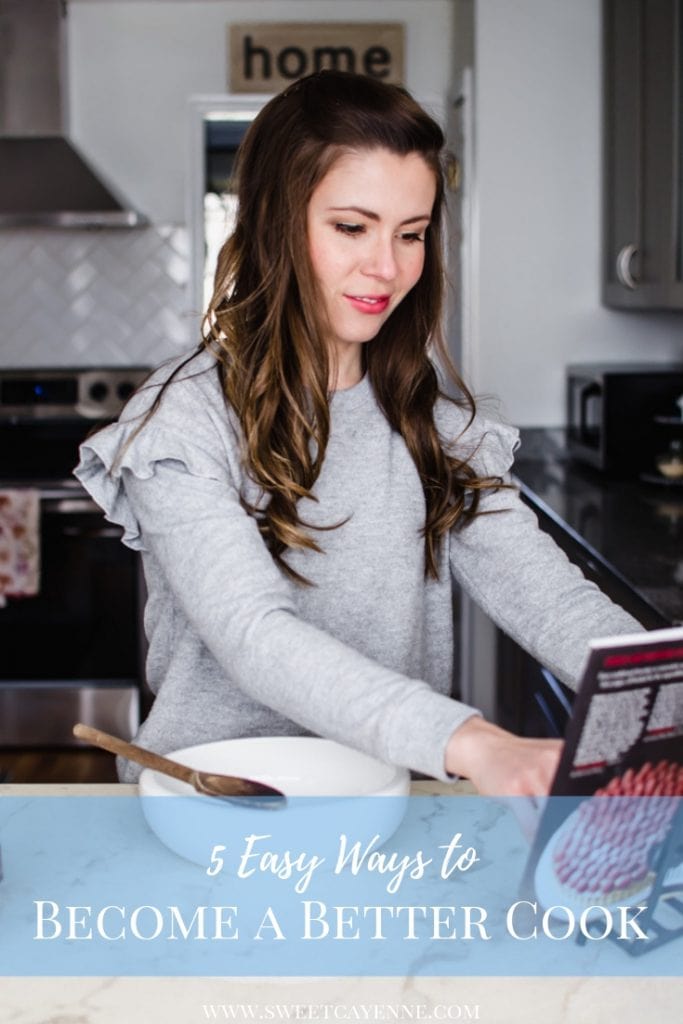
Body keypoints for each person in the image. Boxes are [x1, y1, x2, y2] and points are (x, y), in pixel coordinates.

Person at [75, 70, 641, 796]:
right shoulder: (184, 423)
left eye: (410, 234)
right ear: (279, 222)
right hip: (216, 811)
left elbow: (546, 598)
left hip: (380, 809)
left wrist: (656, 681)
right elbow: (255, 638)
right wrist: (468, 741)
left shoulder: (429, 421)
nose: (388, 267)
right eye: (351, 227)